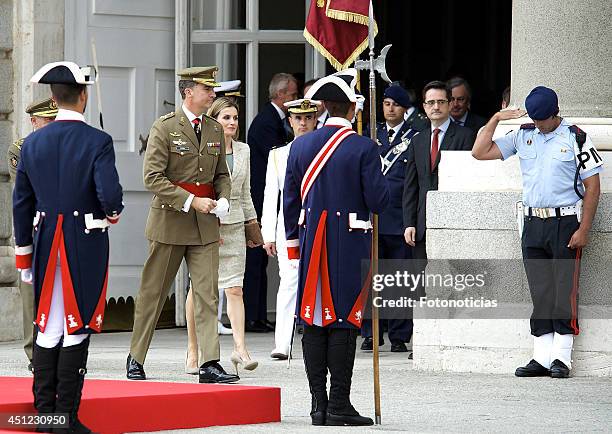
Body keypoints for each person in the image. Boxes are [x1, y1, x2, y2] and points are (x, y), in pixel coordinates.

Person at [13, 61, 123, 433]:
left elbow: (21, 203)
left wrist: (24, 253)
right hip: (82, 243)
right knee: (75, 326)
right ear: (84, 95)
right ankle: (66, 418)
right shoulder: (97, 140)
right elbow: (109, 196)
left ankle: (47, 416)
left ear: (52, 98)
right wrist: (112, 211)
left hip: (44, 243)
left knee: (49, 326)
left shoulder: (33, 142)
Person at [472, 86, 603, 378]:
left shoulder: (576, 137)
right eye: (535, 118)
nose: (540, 124)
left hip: (565, 221)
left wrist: (584, 229)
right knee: (540, 290)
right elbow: (479, 151)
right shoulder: (524, 134)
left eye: (543, 119)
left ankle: (562, 358)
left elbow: (593, 187)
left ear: (555, 113)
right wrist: (496, 118)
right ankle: (541, 357)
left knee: (564, 290)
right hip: (532, 223)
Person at [284, 69, 388, 426]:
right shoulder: (364, 147)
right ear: (354, 110)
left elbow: (290, 202)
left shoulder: (300, 145)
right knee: (344, 319)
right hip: (348, 241)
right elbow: (378, 200)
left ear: (324, 107)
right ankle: (339, 404)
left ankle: (318, 405)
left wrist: (294, 246)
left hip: (312, 240)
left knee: (313, 319)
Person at [127, 66, 238, 384]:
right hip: (170, 221)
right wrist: (191, 201)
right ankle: (136, 357)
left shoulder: (216, 130)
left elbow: (221, 176)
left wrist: (225, 199)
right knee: (153, 292)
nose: (213, 95)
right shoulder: (164, 128)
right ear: (188, 92)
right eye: (207, 89)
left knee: (207, 294)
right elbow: (152, 177)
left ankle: (210, 363)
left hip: (205, 224)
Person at [185, 97, 263, 375]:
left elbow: (245, 193)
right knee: (199, 290)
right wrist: (207, 223)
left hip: (234, 226)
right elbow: (198, 190)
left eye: (235, 118)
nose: (232, 123)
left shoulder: (244, 150)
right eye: (226, 117)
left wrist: (254, 227)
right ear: (213, 121)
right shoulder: (202, 149)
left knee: (235, 289)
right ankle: (194, 350)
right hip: (206, 226)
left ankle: (240, 349)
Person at [361, 84, 427, 354]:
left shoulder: (415, 136)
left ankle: (399, 334)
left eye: (395, 104)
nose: (390, 108)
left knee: (399, 278)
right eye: (386, 103)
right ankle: (370, 333)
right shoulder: (369, 135)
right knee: (372, 278)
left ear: (404, 109)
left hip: (400, 217)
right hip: (373, 217)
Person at [261, 98, 320, 360]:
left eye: (308, 118)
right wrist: (268, 233)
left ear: (316, 120)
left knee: (319, 281)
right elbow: (270, 195)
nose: (303, 123)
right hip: (289, 229)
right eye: (298, 118)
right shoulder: (278, 154)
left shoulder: (324, 150)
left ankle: (316, 339)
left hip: (319, 224)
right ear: (290, 121)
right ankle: (282, 342)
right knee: (289, 281)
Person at [245, 73, 299, 333]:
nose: (295, 99)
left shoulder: (274, 119)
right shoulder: (267, 122)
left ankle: (257, 316)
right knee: (255, 260)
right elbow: (277, 158)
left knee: (260, 262)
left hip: (264, 198)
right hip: (259, 198)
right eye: (292, 95)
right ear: (280, 95)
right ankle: (252, 316)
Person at [7, 97, 58, 371]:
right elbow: (29, 189)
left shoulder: (66, 144)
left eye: (54, 120)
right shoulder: (21, 148)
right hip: (34, 225)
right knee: (31, 292)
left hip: (62, 224)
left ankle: (60, 346)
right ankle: (34, 351)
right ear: (33, 121)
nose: (50, 125)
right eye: (45, 121)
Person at [403, 81, 475, 268]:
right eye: (431, 102)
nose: (436, 106)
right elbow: (411, 186)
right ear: (424, 106)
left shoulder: (466, 136)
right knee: (422, 285)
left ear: (450, 104)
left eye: (441, 102)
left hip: (453, 224)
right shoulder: (417, 140)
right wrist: (409, 223)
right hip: (421, 226)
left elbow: (468, 183)